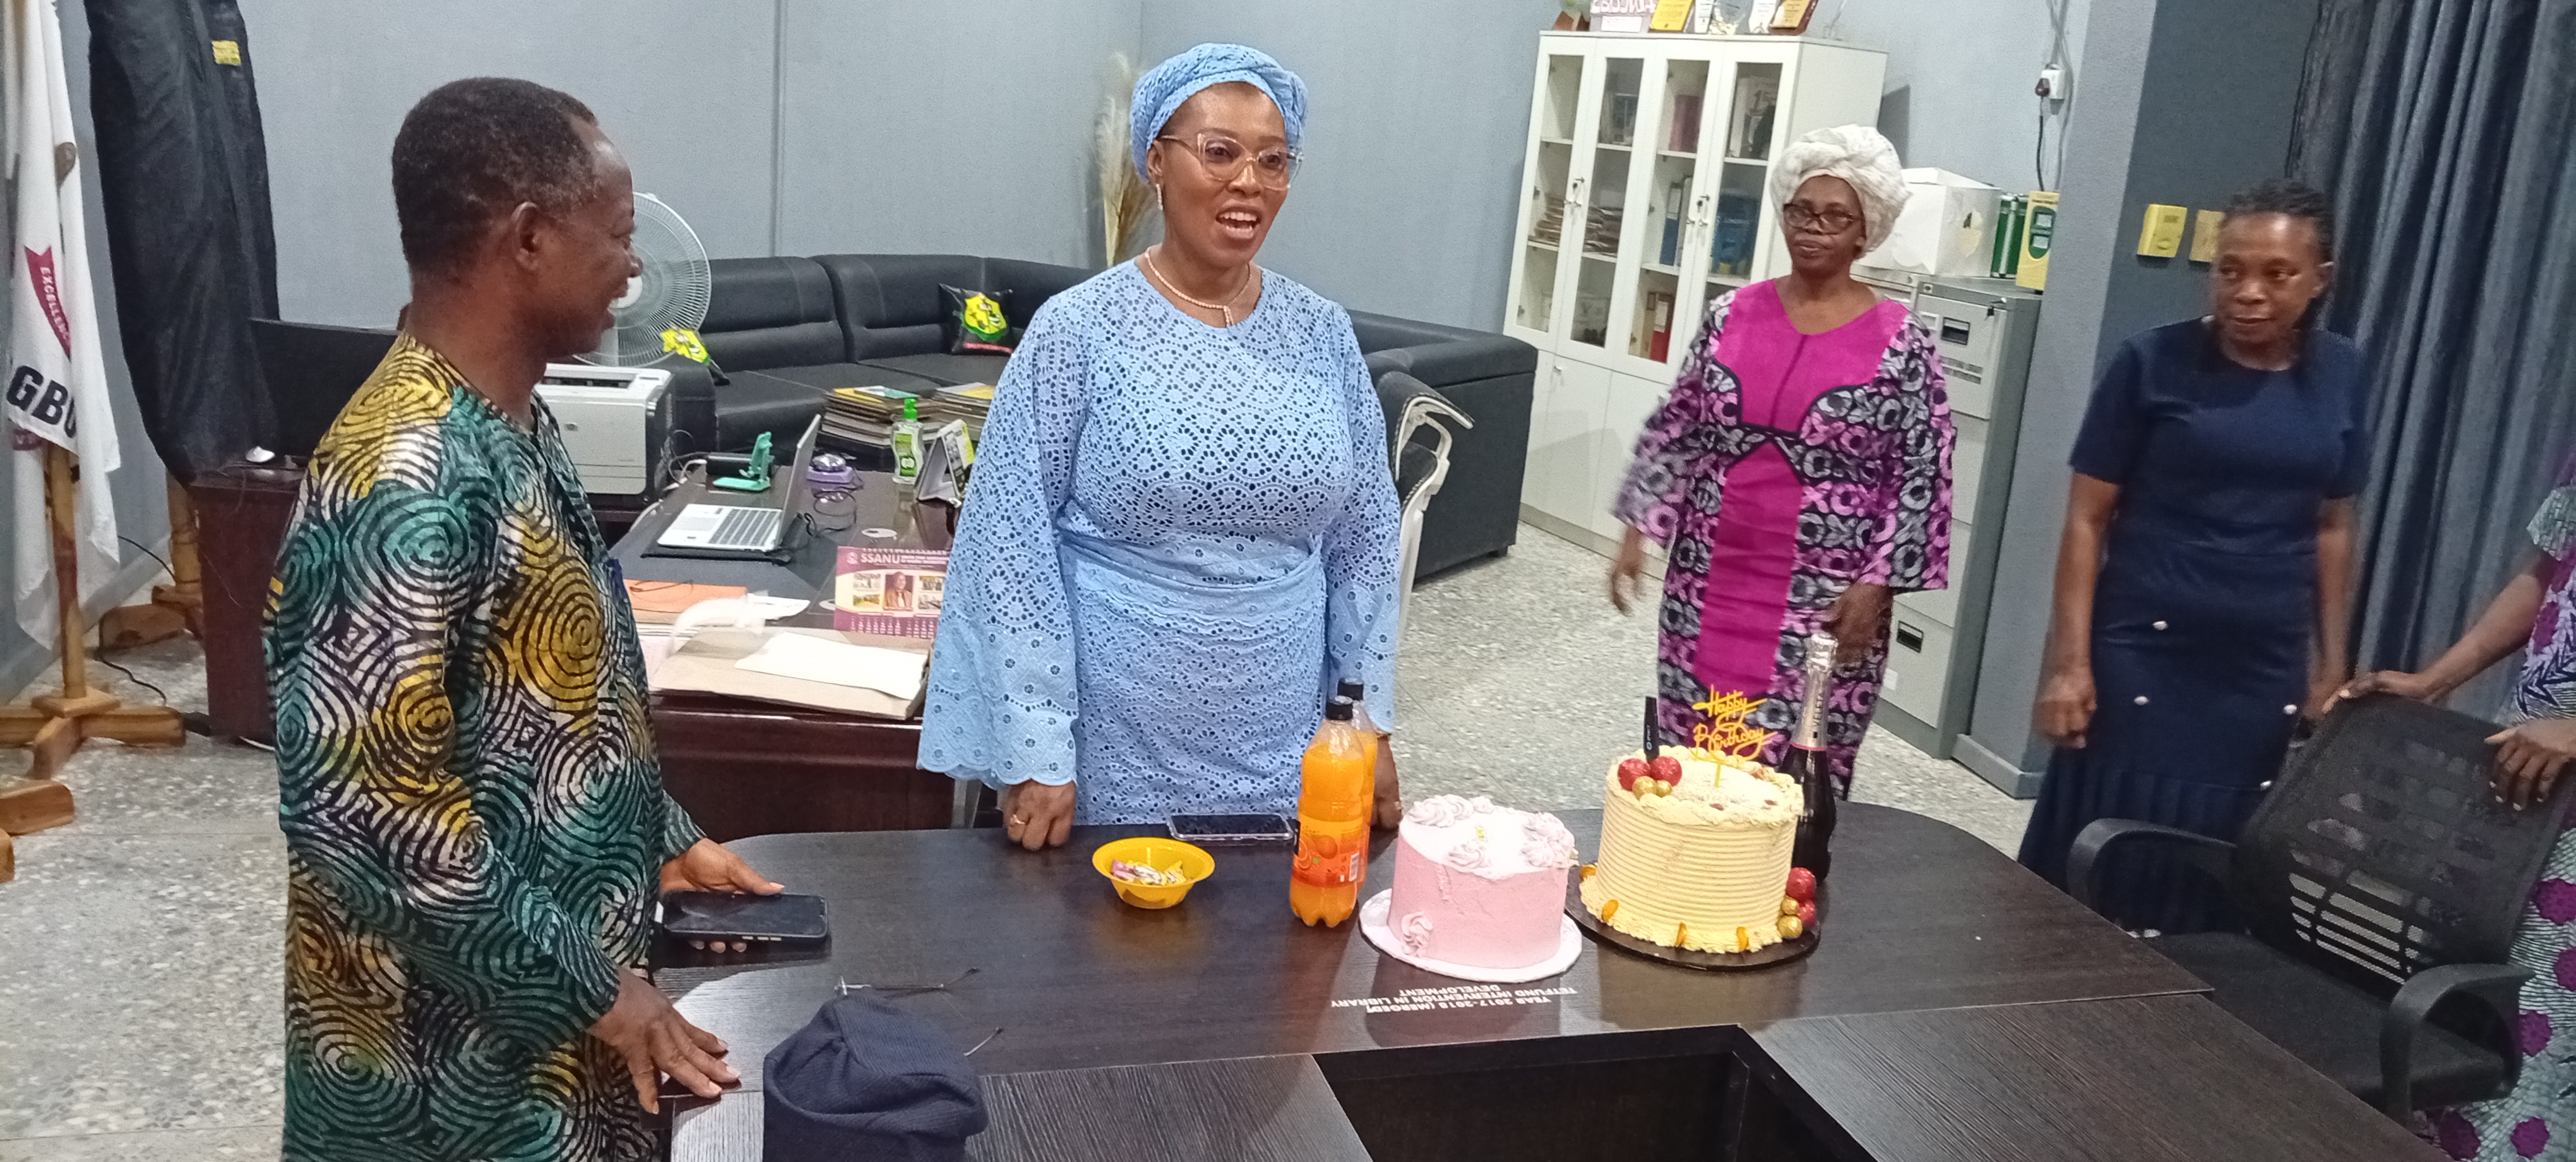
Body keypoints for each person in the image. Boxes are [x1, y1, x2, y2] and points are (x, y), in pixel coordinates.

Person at [266, 78, 782, 1162]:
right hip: (439, 1067)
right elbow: (373, 823)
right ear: (532, 239)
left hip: (542, 1028)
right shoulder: (401, 478)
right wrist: (598, 990)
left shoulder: (512, 419)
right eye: (620, 236)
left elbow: (542, 710)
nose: (634, 267)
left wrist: (662, 837)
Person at [919, 44, 1403, 849]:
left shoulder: (1322, 334)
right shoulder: (1079, 330)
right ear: (1157, 160)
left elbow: (1366, 541)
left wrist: (1369, 723)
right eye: (1219, 152)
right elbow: (1010, 544)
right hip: (1114, 744)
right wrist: (1037, 746)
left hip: (1288, 742)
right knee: (1112, 957)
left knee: (1276, 959)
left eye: (1274, 160)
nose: (1249, 181)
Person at [2017, 178, 2367, 934]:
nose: (2248, 292)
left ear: (2320, 280)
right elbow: (2087, 519)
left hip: (2260, 656)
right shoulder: (2152, 361)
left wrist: (2332, 664)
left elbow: (2333, 524)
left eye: (2276, 274)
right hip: (2142, 643)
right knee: (2106, 841)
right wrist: (2070, 664)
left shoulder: (2342, 372)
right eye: (2230, 269)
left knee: (2219, 849)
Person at [1609, 125, 1953, 789]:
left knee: (1795, 771)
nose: (1814, 227)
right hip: (1707, 586)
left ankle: (1784, 886)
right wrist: (1638, 525)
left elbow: (1923, 475)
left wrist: (1877, 584)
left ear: (1864, 231)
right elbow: (1680, 424)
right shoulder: (1729, 314)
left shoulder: (1904, 343)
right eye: (1801, 210)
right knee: (1696, 761)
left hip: (1825, 599)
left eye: (1835, 216)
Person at [2342, 450, 2576, 1161]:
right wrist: (2435, 679)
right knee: (2475, 991)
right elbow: (2546, 575)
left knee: (2553, 1028)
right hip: (2524, 788)